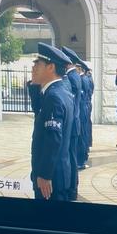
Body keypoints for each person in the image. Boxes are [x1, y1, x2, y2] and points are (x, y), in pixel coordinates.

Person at [30, 43, 74, 201]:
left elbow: (53, 139)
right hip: (56, 172)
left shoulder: (54, 97)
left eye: (38, 64)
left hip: (51, 179)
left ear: (51, 67)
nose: (33, 68)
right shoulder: (59, 91)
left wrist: (44, 174)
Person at [61, 46, 83, 200]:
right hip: (73, 123)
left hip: (72, 124)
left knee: (71, 157)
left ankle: (72, 188)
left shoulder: (72, 77)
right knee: (70, 156)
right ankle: (71, 187)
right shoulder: (73, 75)